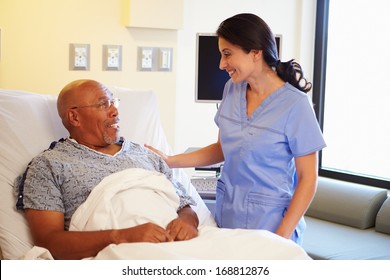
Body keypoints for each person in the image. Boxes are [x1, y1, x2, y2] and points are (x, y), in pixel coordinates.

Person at [146, 13, 326, 245]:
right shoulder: (232, 90)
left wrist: (281, 239)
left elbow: (308, 179)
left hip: (271, 225)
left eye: (227, 54)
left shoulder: (295, 104)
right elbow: (222, 148)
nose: (222, 64)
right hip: (228, 218)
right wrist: (170, 160)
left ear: (255, 52)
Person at [14, 79, 199, 260]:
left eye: (114, 102)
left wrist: (187, 222)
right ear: (74, 117)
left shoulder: (145, 154)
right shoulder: (49, 165)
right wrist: (123, 237)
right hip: (122, 254)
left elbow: (183, 205)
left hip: (178, 244)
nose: (115, 111)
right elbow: (49, 242)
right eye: (103, 104)